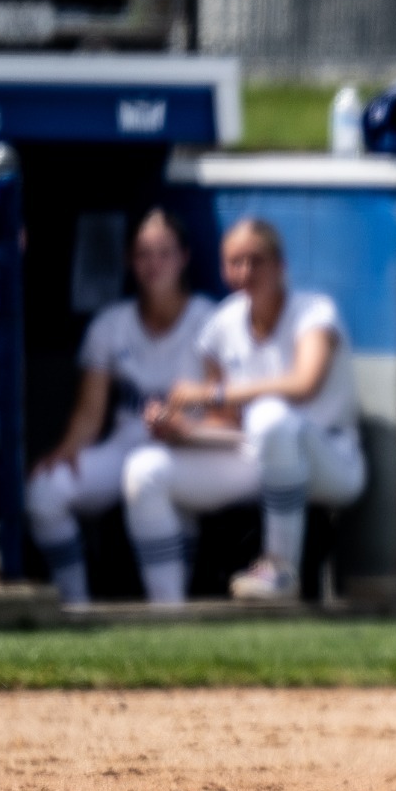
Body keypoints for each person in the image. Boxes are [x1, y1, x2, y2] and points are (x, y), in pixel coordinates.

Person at [127, 217, 364, 602]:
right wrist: (184, 431)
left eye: (256, 260)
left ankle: (280, 569)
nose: (245, 271)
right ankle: (167, 609)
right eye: (234, 262)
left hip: (332, 460)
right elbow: (232, 427)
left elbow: (303, 386)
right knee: (145, 469)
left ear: (280, 265)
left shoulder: (314, 311)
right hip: (257, 458)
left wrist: (214, 393)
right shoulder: (222, 324)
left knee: (270, 416)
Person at [25, 210, 214, 605]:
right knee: (44, 492)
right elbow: (89, 414)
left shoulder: (209, 320)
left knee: (153, 479)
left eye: (164, 253)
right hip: (129, 441)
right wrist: (68, 448)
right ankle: (76, 608)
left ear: (184, 258)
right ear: (129, 260)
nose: (154, 264)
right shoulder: (110, 324)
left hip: (193, 446)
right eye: (144, 254)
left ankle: (171, 616)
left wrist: (186, 428)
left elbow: (224, 406)